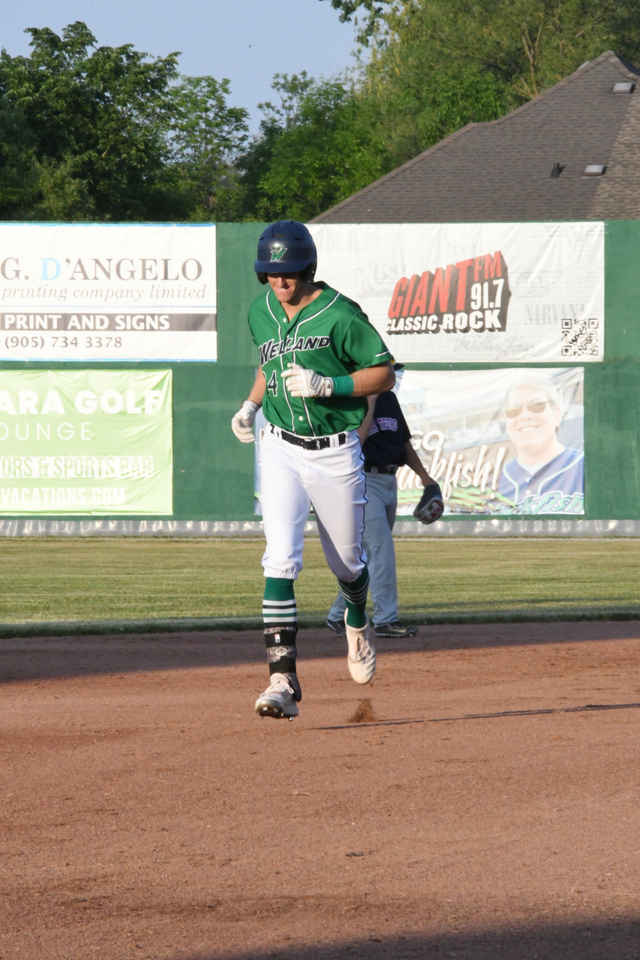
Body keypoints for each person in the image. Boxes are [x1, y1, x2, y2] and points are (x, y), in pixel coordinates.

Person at [231, 220, 395, 721]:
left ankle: (357, 616)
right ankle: (282, 678)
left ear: (308, 269)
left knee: (348, 564)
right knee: (279, 559)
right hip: (278, 447)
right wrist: (250, 403)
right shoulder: (261, 311)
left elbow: (385, 372)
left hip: (334, 450)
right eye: (270, 273)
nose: (278, 282)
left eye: (288, 273)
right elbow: (268, 363)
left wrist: (330, 385)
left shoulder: (340, 314)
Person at [326, 370, 440, 638]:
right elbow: (356, 442)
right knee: (381, 551)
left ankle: (336, 615)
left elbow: (403, 442)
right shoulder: (352, 399)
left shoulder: (389, 398)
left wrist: (426, 478)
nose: (389, 374)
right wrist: (370, 400)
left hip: (389, 481)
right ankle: (386, 620)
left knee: (367, 556)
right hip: (362, 480)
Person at [498, 374, 584, 510]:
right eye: (514, 410)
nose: (524, 416)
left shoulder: (587, 468)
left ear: (557, 415)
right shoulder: (494, 483)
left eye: (536, 406)